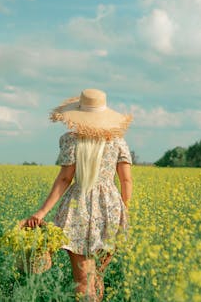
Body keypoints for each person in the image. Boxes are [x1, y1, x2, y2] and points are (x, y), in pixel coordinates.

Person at [25, 89, 133, 301]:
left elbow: (64, 179)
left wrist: (41, 212)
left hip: (78, 209)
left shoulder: (70, 140)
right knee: (97, 277)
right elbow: (126, 180)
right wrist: (124, 211)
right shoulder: (118, 141)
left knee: (83, 281)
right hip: (110, 208)